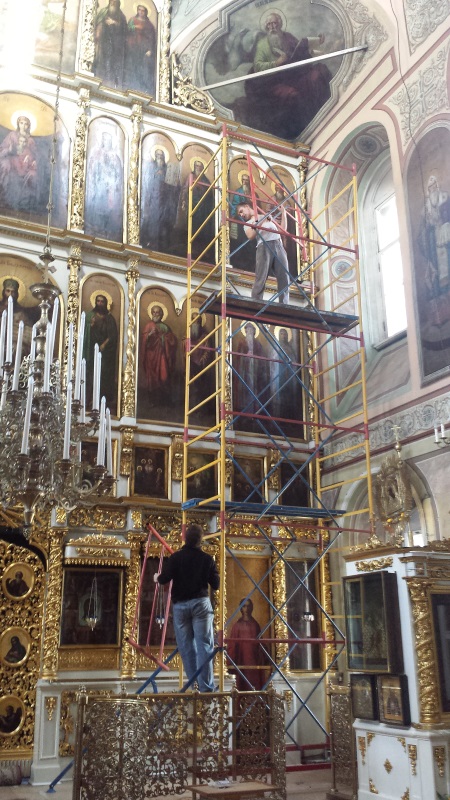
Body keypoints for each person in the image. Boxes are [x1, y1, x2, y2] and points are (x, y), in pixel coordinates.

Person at [245, 13, 331, 139]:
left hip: (294, 74)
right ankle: (302, 129)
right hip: (275, 81)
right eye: (269, 24)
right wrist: (276, 63)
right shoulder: (262, 44)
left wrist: (316, 46)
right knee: (292, 95)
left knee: (319, 73)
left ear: (280, 24)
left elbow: (300, 50)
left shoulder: (288, 37)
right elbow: (258, 66)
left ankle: (324, 113)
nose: (272, 27)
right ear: (266, 27)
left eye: (274, 23)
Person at [156, 523, 219, 692]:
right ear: (200, 540)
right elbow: (216, 584)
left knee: (186, 647)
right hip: (200, 604)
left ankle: (195, 686)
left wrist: (157, 577)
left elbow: (164, 579)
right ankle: (206, 687)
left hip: (181, 606)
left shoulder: (176, 558)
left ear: (185, 538)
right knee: (204, 645)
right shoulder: (207, 559)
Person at [237, 201, 290, 304]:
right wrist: (262, 220)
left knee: (284, 276)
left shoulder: (266, 216)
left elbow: (282, 230)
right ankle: (256, 302)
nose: (241, 215)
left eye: (241, 211)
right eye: (240, 214)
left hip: (278, 245)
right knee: (261, 276)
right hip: (264, 246)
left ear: (247, 206)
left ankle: (284, 304)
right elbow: (251, 235)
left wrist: (283, 213)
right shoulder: (248, 223)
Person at [85, 130, 123, 240]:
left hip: (110, 187)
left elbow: (118, 173)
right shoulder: (96, 153)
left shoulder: (115, 157)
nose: (107, 142)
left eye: (109, 140)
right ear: (102, 141)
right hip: (99, 186)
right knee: (98, 206)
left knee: (109, 207)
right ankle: (96, 227)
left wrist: (111, 174)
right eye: (106, 140)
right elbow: (92, 169)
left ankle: (107, 229)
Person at [141, 148, 180, 252]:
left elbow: (174, 187)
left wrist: (176, 184)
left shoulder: (168, 169)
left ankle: (163, 243)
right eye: (157, 156)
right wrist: (155, 175)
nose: (159, 158)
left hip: (165, 200)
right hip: (153, 199)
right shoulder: (151, 168)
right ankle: (151, 240)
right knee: (153, 220)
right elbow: (146, 183)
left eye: (161, 156)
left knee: (164, 221)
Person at [83, 294, 118, 409]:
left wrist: (104, 345)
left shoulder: (109, 318)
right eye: (98, 301)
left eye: (102, 302)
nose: (100, 303)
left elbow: (112, 335)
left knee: (102, 374)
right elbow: (85, 332)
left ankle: (101, 399)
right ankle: (89, 398)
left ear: (105, 303)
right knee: (91, 374)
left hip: (105, 352)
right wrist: (91, 325)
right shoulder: (90, 316)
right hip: (91, 350)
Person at [418, 173, 450, 297]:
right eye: (430, 187)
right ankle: (442, 288)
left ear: (437, 185)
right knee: (439, 264)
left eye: (434, 185)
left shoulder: (445, 197)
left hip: (446, 231)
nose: (433, 188)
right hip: (435, 237)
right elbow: (423, 229)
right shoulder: (426, 208)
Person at [233, 322, 268, 432]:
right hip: (245, 373)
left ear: (254, 332)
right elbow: (238, 359)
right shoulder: (242, 343)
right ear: (245, 331)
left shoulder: (257, 344)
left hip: (255, 374)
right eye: (248, 330)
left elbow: (262, 359)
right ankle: (245, 416)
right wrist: (245, 358)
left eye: (251, 330)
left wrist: (255, 358)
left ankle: (254, 415)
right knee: (244, 394)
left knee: (254, 393)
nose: (249, 332)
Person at [140, 305, 178, 409]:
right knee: (152, 379)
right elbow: (144, 341)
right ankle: (153, 401)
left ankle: (164, 400)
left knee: (163, 376)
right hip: (150, 356)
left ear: (161, 314)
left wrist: (163, 338)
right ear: (151, 313)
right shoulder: (148, 326)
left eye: (158, 312)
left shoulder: (165, 327)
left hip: (162, 355)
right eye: (154, 312)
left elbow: (172, 341)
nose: (156, 314)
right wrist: (149, 335)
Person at [0, 116, 38, 215]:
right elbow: (2, 150)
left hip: (25, 163)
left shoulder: (30, 140)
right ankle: (3, 197)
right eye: (21, 123)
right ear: (18, 123)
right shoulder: (11, 135)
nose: (23, 126)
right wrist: (9, 150)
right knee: (5, 165)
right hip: (12, 161)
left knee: (33, 175)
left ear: (28, 126)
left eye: (26, 124)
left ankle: (24, 203)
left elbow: (35, 155)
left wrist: (34, 161)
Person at [177, 159, 214, 260]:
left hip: (202, 209)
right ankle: (189, 247)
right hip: (191, 206)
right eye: (197, 166)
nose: (198, 168)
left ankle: (200, 249)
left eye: (200, 166)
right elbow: (185, 190)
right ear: (194, 167)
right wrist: (184, 201)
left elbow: (210, 195)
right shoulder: (191, 176)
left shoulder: (205, 180)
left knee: (201, 229)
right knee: (191, 226)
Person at [227, 598, 267, 690]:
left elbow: (260, 643)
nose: (246, 609)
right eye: (244, 606)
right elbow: (232, 646)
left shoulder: (255, 625)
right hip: (241, 660)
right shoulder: (237, 626)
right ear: (241, 608)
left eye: (248, 606)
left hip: (254, 661)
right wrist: (230, 662)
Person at [94, 0, 128, 89]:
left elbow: (125, 30)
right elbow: (98, 22)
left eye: (115, 2)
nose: (113, 3)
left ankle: (111, 83)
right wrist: (99, 29)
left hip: (115, 45)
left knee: (112, 64)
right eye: (112, 1)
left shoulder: (121, 16)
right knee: (102, 61)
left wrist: (114, 23)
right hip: (103, 41)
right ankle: (99, 79)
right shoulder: (103, 11)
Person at [0, 278, 37, 356]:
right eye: (8, 291)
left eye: (13, 292)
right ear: (3, 292)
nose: (10, 294)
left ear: (16, 294)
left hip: (13, 344)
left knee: (17, 348)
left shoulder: (21, 312)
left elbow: (29, 333)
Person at [126, 4, 157, 95]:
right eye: (139, 10)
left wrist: (150, 49)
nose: (140, 12)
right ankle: (130, 85)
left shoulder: (149, 25)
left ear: (146, 12)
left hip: (143, 50)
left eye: (143, 10)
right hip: (132, 48)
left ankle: (140, 86)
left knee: (142, 68)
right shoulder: (132, 20)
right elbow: (127, 30)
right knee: (132, 66)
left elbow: (152, 39)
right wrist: (134, 28)